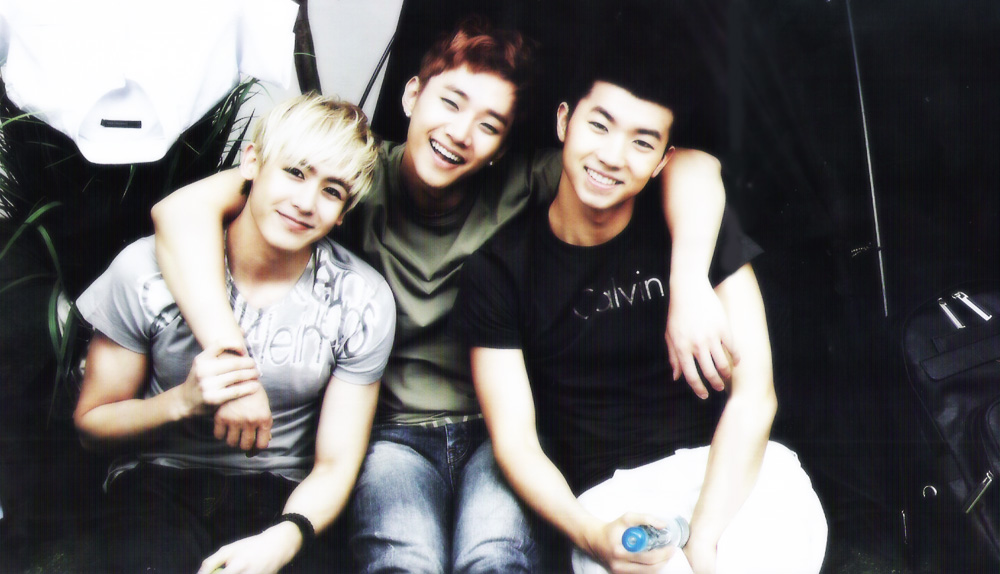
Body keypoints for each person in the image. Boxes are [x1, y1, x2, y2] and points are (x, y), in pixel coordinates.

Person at [150, 17, 734, 573]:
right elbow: (179, 211)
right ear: (411, 95)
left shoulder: (523, 182)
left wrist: (688, 283)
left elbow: (691, 166)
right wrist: (232, 366)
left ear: (502, 145)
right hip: (391, 432)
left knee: (495, 556)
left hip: (498, 429)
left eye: (489, 124)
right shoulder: (352, 178)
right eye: (451, 103)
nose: (460, 132)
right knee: (405, 559)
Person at [452, 28, 828, 574]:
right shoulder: (500, 270)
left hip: (731, 472)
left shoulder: (693, 227)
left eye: (642, 142)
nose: (612, 156)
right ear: (564, 121)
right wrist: (593, 535)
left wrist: (704, 539)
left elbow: (755, 397)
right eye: (599, 126)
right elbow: (516, 444)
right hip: (614, 497)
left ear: (661, 161)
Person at [73, 93, 395, 574]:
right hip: (157, 480)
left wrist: (285, 537)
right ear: (251, 162)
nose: (306, 203)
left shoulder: (360, 298)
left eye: (332, 191)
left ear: (344, 212)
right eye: (295, 172)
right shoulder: (146, 269)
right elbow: (91, 427)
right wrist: (182, 401)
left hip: (282, 491)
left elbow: (336, 464)